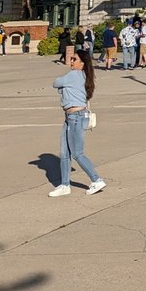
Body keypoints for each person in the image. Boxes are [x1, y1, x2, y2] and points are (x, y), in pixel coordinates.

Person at [48, 49, 105, 196]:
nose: (71, 61)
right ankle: (65, 184)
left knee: (77, 153)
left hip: (76, 117)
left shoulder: (74, 75)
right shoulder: (83, 75)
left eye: (74, 59)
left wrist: (63, 87)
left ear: (82, 63)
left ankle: (96, 179)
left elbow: (56, 83)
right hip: (70, 117)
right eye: (71, 58)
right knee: (64, 152)